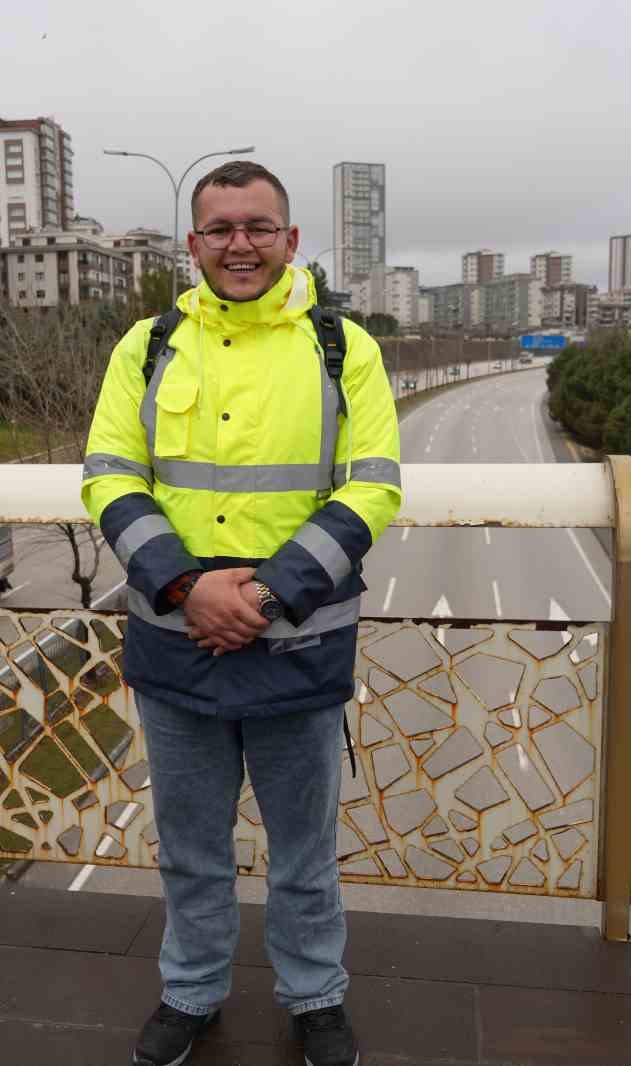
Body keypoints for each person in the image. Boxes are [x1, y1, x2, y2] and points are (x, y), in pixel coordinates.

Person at [81, 160, 402, 1066]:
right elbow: (109, 474)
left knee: (305, 853)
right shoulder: (147, 346)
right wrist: (190, 589)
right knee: (190, 848)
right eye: (221, 229)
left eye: (259, 227)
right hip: (176, 644)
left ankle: (316, 996)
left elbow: (373, 488)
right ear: (194, 245)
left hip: (298, 646)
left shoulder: (344, 348)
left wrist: (261, 595)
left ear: (290, 239)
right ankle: (190, 991)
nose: (240, 245)